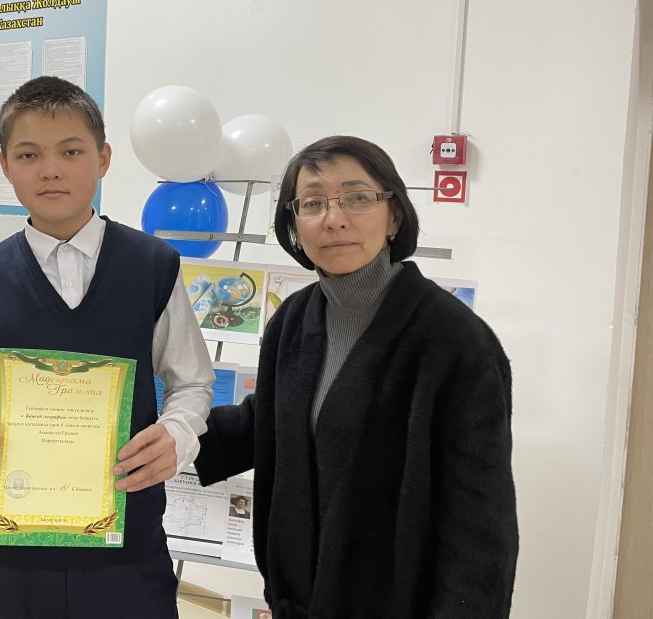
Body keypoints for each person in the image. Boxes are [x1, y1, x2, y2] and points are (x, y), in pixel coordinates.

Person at [194, 136, 518, 619]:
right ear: (294, 225)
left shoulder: (455, 341)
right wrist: (163, 426)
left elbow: (480, 528)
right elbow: (275, 421)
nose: (334, 218)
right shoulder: (293, 320)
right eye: (313, 203)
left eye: (357, 197)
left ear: (395, 216)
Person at [0, 75, 215, 619]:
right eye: (28, 154)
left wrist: (177, 435)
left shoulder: (152, 266)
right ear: (5, 165)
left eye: (71, 151)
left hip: (129, 542)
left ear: (103, 158)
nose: (50, 169)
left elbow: (192, 382)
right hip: (15, 549)